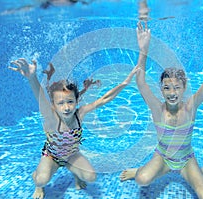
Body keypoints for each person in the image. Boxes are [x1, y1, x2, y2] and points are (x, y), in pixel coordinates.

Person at [120, 13, 203, 199]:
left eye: (177, 87)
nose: (172, 92)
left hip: (186, 160)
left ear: (184, 88)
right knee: (142, 179)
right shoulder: (157, 109)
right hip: (163, 158)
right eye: (167, 88)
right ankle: (146, 170)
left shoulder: (190, 107)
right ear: (161, 90)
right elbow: (141, 81)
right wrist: (143, 50)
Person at [9, 58, 137, 199]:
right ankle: (39, 184)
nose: (66, 107)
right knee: (41, 179)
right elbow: (40, 97)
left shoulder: (79, 114)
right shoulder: (52, 118)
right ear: (54, 105)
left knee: (91, 177)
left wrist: (125, 83)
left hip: (71, 155)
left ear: (77, 101)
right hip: (52, 157)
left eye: (70, 101)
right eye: (61, 103)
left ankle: (76, 173)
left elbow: (105, 98)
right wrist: (32, 78)